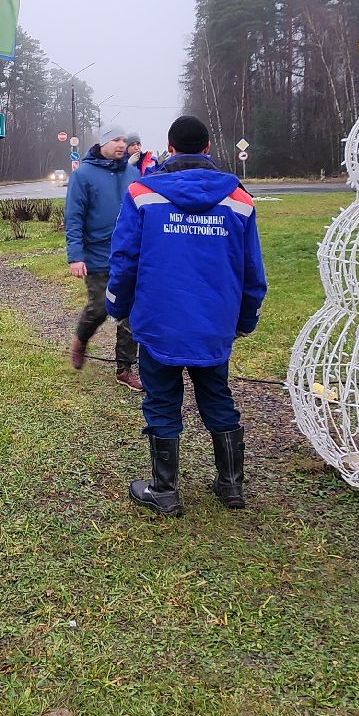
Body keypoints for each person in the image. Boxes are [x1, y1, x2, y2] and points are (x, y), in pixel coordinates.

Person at [106, 115, 267, 517]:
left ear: (169, 148)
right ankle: (231, 486)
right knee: (216, 396)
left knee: (161, 401)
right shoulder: (239, 199)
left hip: (159, 322)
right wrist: (245, 319)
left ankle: (164, 490)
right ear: (208, 147)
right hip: (214, 324)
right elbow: (252, 270)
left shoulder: (142, 193)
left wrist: (117, 306)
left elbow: (123, 259)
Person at [65, 125, 140, 390]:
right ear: (103, 143)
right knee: (100, 307)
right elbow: (73, 217)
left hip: (130, 255)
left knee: (131, 311)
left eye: (124, 139)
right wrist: (76, 256)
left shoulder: (133, 173)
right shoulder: (83, 174)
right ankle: (80, 340)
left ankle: (125, 368)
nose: (121, 144)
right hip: (97, 254)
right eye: (115, 139)